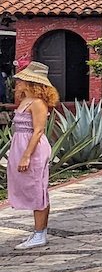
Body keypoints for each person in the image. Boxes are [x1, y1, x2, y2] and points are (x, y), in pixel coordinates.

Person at [8, 61, 57, 249]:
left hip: (33, 148)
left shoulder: (38, 103)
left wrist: (26, 155)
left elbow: (38, 130)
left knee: (38, 188)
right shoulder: (24, 101)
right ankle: (37, 231)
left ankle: (40, 233)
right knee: (30, 187)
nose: (18, 83)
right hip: (20, 146)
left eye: (21, 80)